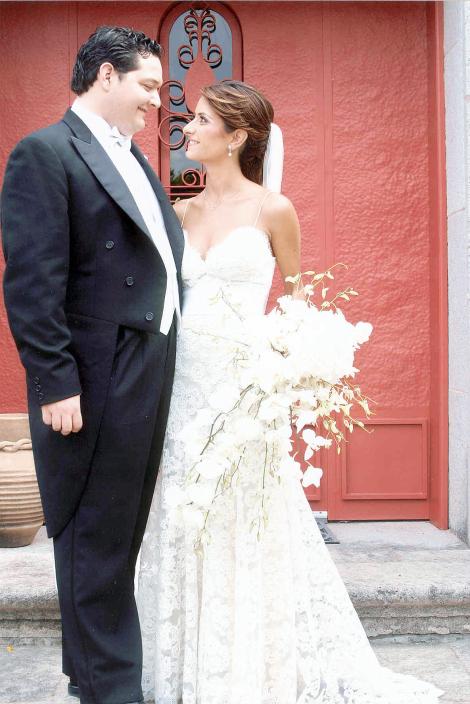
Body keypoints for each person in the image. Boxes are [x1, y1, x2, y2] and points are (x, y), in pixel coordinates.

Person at [137, 80, 444, 703]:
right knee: (181, 513)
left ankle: (253, 670)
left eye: (198, 120)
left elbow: (300, 302)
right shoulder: (181, 211)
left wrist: (290, 363)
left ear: (237, 136)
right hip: (184, 390)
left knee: (247, 518)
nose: (185, 130)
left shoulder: (273, 210)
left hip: (245, 395)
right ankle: (184, 665)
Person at [1, 26, 183, 704]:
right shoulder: (45, 154)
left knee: (116, 537)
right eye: (146, 86)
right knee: (94, 540)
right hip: (96, 375)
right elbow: (31, 279)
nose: (156, 103)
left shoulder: (131, 156)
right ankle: (112, 690)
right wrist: (55, 381)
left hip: (145, 369)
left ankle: (90, 678)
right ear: (105, 75)